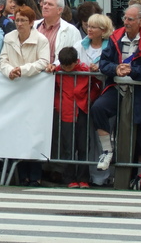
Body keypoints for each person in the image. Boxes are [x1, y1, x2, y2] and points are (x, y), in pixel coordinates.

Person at [90, 3, 141, 172]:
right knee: (98, 108)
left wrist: (132, 70)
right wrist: (116, 68)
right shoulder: (116, 36)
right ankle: (107, 151)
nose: (126, 22)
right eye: (125, 18)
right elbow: (104, 62)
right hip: (118, 87)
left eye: (130, 19)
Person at [0, 6, 49, 186]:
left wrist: (23, 70)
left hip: (34, 90)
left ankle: (35, 176)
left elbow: (43, 62)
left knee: (33, 132)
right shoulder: (8, 38)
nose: (19, 24)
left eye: (22, 21)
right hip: (14, 90)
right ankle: (21, 175)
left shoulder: (41, 39)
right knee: (16, 131)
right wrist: (9, 71)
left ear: (31, 23)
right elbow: (2, 60)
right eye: (17, 20)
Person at [53, 47, 101, 188]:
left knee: (84, 146)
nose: (67, 69)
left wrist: (89, 100)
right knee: (68, 147)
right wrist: (58, 103)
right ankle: (69, 178)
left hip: (82, 111)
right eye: (64, 66)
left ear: (76, 61)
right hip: (66, 111)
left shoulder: (86, 71)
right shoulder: (57, 71)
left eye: (69, 66)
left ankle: (83, 178)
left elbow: (96, 87)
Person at [35, 0, 79, 65]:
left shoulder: (72, 31)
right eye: (44, 3)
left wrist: (55, 65)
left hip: (58, 74)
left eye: (50, 4)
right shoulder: (33, 26)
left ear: (59, 10)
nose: (45, 6)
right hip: (34, 74)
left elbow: (76, 56)